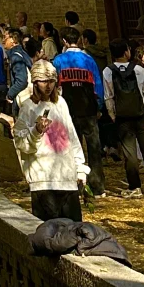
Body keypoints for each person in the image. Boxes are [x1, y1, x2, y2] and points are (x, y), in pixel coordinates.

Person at [13, 59, 88, 221]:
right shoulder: (28, 107)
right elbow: (21, 143)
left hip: (66, 177)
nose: (48, 86)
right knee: (49, 235)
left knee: (73, 230)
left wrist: (80, 167)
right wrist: (37, 131)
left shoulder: (60, 103)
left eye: (51, 81)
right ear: (34, 82)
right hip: (43, 180)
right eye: (43, 81)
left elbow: (71, 136)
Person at [103, 39, 144, 199]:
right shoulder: (139, 70)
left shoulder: (108, 71)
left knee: (130, 154)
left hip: (122, 117)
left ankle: (135, 187)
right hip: (141, 114)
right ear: (127, 52)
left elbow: (109, 97)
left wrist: (113, 115)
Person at [54, 27, 105, 195]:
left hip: (68, 111)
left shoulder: (59, 60)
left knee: (71, 150)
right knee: (94, 149)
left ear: (64, 41)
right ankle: (97, 187)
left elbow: (55, 86)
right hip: (89, 109)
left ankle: (74, 185)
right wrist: (99, 106)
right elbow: (98, 85)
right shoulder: (89, 60)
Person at [2, 25, 32, 115]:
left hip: (22, 99)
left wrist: (10, 94)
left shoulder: (16, 56)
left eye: (5, 37)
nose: (3, 41)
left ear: (13, 40)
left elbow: (22, 80)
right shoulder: (22, 53)